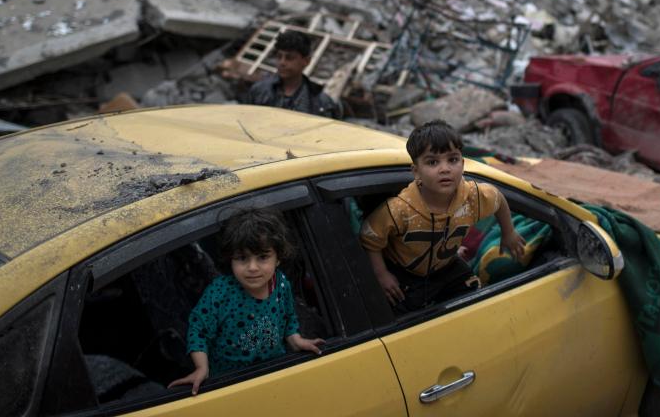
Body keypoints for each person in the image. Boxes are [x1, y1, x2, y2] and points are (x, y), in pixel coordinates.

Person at [360, 119, 525, 312]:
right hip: (406, 272)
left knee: (478, 303)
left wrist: (509, 233)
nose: (445, 168)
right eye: (432, 162)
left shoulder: (473, 197)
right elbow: (369, 237)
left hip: (447, 266)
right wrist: (381, 274)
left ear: (462, 164)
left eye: (452, 160)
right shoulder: (399, 210)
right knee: (402, 316)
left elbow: (498, 200)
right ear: (416, 172)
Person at [168, 208, 324, 395]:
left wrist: (296, 340)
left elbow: (289, 318)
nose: (252, 267)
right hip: (230, 383)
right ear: (230, 259)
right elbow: (198, 329)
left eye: (263, 257)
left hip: (275, 373)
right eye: (242, 258)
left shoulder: (281, 284)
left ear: (278, 258)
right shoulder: (220, 292)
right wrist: (202, 368)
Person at [245, 30, 341, 119]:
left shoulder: (321, 102)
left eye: (289, 58)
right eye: (279, 57)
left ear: (306, 61)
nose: (282, 62)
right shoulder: (259, 91)